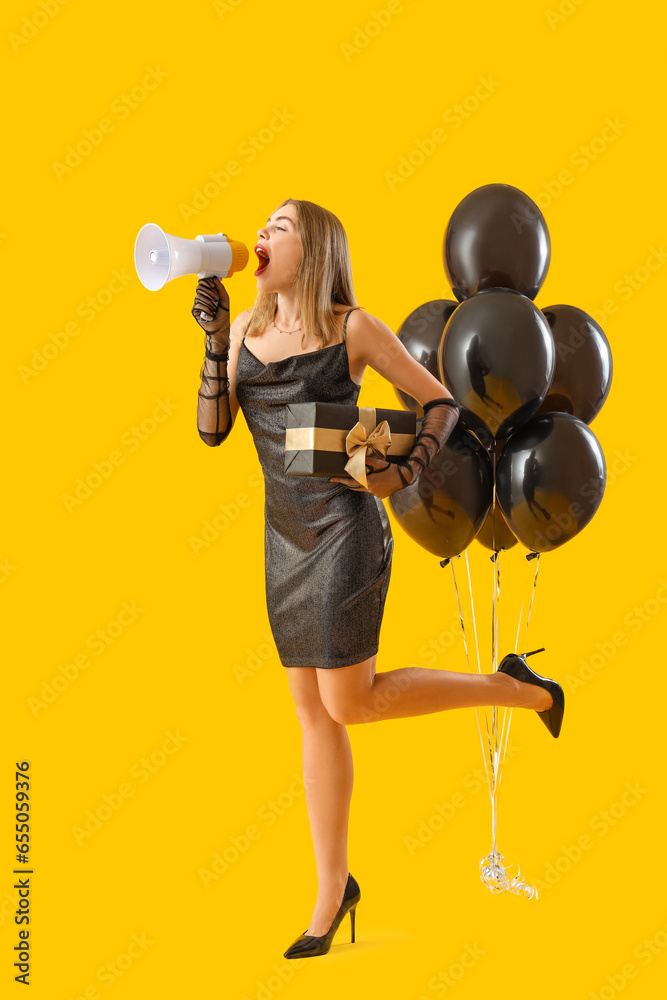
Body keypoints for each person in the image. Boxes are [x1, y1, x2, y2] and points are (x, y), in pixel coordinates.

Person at [192, 198, 562, 959]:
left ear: (317, 247)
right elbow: (210, 431)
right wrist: (214, 337)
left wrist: (404, 472)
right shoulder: (250, 337)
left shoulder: (351, 327)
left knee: (348, 704)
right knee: (312, 714)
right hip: (283, 541)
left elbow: (439, 402)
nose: (260, 236)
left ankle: (515, 689)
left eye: (280, 228)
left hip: (344, 534)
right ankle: (333, 891)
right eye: (261, 226)